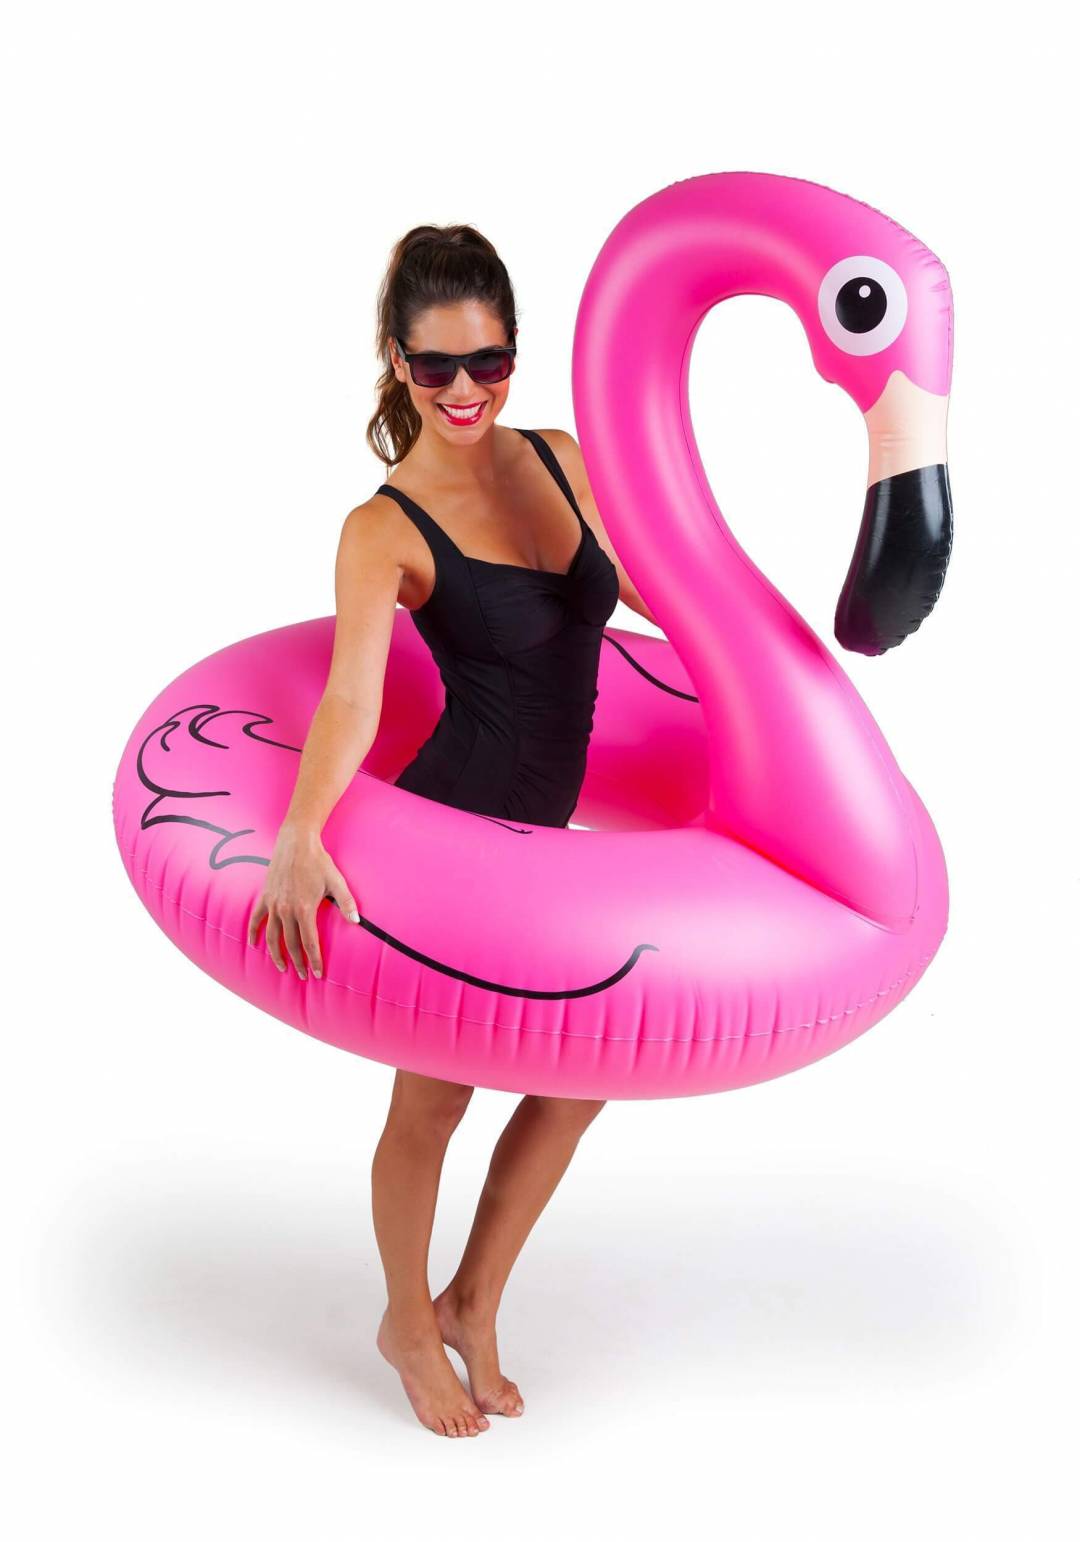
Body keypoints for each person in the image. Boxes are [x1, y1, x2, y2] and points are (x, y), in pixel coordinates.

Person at [248, 224, 657, 1437]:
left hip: (547, 835)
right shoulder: (383, 527)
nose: (465, 389)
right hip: (453, 839)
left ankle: (471, 1300)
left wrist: (759, 648)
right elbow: (352, 699)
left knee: (584, 1077)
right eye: (436, 367)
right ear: (398, 360)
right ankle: (404, 1324)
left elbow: (640, 585)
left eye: (489, 361)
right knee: (434, 1105)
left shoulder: (561, 458)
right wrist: (300, 830)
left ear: (514, 352)